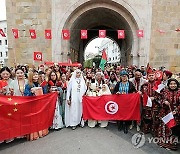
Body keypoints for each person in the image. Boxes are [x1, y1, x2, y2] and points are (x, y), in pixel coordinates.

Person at [24, 71, 48, 141]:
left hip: (40, 104)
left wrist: (44, 87)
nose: (35, 76)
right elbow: (26, 95)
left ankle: (41, 132)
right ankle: (35, 134)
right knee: (34, 119)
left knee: (40, 118)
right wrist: (31, 93)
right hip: (32, 104)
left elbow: (44, 93)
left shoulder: (40, 84)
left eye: (36, 74)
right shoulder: (28, 85)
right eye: (34, 75)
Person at [158, 79, 180, 150]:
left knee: (174, 129)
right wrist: (164, 102)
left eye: (174, 84)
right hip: (166, 113)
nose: (173, 85)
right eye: (171, 84)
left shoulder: (179, 92)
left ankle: (173, 144)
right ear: (168, 85)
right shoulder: (165, 91)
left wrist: (176, 111)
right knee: (166, 129)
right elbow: (160, 99)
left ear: (177, 84)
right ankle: (165, 143)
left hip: (177, 114)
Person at [141, 69, 157, 135]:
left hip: (155, 104)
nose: (151, 77)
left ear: (155, 76)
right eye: (150, 75)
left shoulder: (158, 84)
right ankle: (146, 129)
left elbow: (162, 94)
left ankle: (153, 131)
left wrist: (155, 97)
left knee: (154, 118)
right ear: (147, 76)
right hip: (146, 105)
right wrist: (142, 96)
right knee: (146, 118)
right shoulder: (144, 85)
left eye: (152, 75)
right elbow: (141, 93)